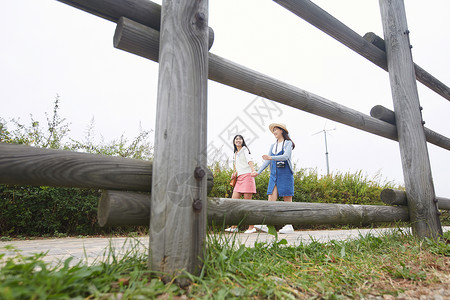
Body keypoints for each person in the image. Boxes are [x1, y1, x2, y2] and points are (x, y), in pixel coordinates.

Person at [253, 122, 295, 234]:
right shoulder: (273, 145)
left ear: (282, 130)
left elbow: (286, 157)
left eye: (276, 129)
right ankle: (266, 224)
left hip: (285, 173)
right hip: (274, 174)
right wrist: (258, 172)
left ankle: (289, 225)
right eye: (273, 130)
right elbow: (267, 161)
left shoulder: (288, 143)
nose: (274, 132)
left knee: (287, 199)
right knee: (271, 199)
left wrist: (271, 157)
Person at [225, 135, 258, 234]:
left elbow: (249, 161)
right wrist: (234, 173)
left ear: (243, 141)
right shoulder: (235, 153)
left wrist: (253, 170)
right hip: (239, 178)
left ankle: (251, 227)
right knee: (233, 202)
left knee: (247, 204)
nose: (238, 140)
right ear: (234, 142)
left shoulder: (244, 149)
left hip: (248, 176)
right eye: (236, 139)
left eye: (240, 139)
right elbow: (237, 165)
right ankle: (234, 226)